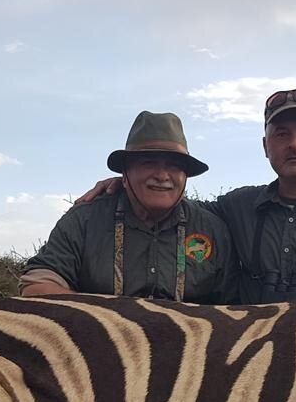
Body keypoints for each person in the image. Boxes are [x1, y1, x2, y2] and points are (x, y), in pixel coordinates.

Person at [74, 88, 296, 303]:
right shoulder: (235, 207)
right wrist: (127, 185)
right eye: (281, 134)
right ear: (266, 147)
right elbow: (171, 202)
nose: (294, 143)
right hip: (251, 370)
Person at [20, 111, 238, 303]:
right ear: (124, 175)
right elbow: (36, 287)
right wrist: (117, 318)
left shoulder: (212, 229)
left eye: (174, 166)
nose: (162, 176)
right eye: (148, 163)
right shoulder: (83, 220)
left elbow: (231, 308)